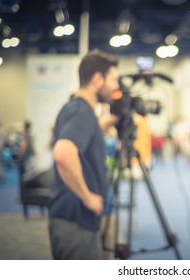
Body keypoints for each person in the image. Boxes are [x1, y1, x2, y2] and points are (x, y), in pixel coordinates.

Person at [47, 50, 119, 260]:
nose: (116, 87)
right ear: (98, 79)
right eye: (113, 79)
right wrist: (87, 197)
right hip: (76, 220)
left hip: (70, 218)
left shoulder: (77, 109)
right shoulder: (81, 112)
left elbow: (83, 142)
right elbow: (63, 153)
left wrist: (105, 124)